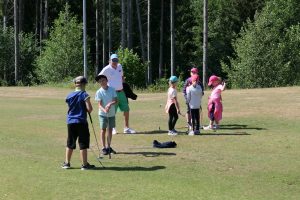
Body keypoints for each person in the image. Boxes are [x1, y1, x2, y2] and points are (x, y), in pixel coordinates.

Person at [62, 76, 95, 170]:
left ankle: (67, 163)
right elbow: (89, 109)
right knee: (83, 143)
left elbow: (70, 107)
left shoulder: (69, 95)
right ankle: (84, 164)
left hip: (71, 121)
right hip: (81, 121)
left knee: (70, 142)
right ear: (84, 84)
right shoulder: (85, 94)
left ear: (75, 84)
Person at [99, 54, 136, 134]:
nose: (115, 62)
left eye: (116, 60)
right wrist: (105, 87)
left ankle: (126, 128)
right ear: (110, 61)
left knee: (126, 109)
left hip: (121, 92)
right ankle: (112, 128)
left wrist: (125, 87)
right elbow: (99, 77)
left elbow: (122, 77)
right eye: (113, 60)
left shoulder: (119, 66)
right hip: (112, 93)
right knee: (112, 111)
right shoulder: (106, 69)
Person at [95, 74, 118, 156]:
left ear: (107, 81)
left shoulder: (112, 89)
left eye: (103, 80)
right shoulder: (99, 92)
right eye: (100, 81)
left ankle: (109, 147)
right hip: (102, 114)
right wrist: (105, 110)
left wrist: (109, 104)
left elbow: (115, 101)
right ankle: (103, 148)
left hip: (111, 113)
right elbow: (99, 105)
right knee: (103, 130)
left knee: (110, 130)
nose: (102, 82)